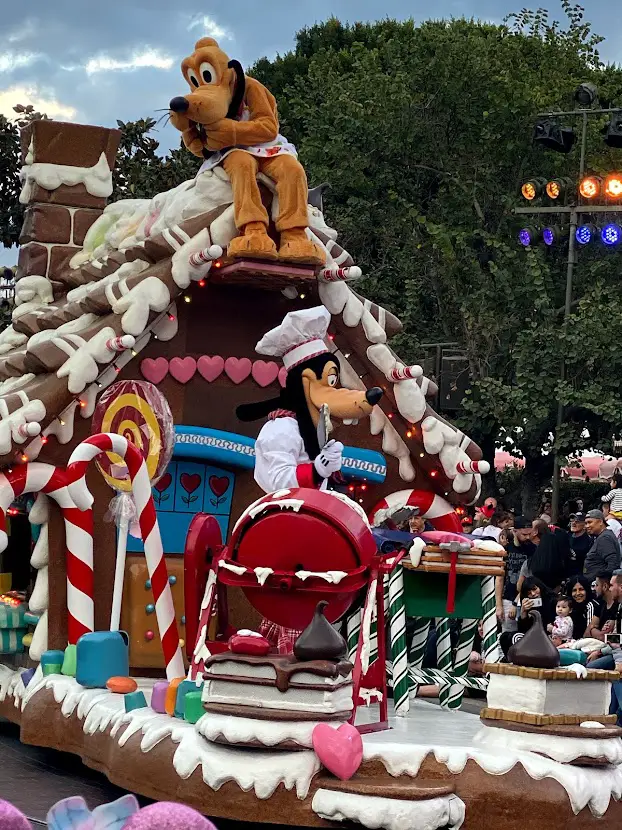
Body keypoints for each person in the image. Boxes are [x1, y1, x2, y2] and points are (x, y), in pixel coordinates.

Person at [495, 517, 535, 632]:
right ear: (514, 531)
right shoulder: (506, 550)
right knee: (508, 635)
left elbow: (530, 578)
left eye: (529, 534)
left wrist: (516, 602)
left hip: (526, 598)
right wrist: (499, 605)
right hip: (507, 597)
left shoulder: (533, 549)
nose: (527, 537)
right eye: (524, 534)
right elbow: (499, 577)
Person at [587, 571, 622, 670]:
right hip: (615, 654)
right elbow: (618, 639)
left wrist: (604, 636)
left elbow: (619, 639)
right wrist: (599, 651)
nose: (609, 589)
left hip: (619, 659)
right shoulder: (620, 607)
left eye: (611, 585)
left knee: (591, 668)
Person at [584, 510, 621, 580]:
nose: (587, 526)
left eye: (589, 522)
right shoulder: (601, 537)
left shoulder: (604, 538)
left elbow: (613, 564)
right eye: (585, 523)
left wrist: (602, 583)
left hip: (599, 586)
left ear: (600, 522)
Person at [566, 574, 599, 639]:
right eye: (574, 590)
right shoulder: (568, 606)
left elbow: (588, 635)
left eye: (581, 589)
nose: (578, 593)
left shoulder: (590, 605)